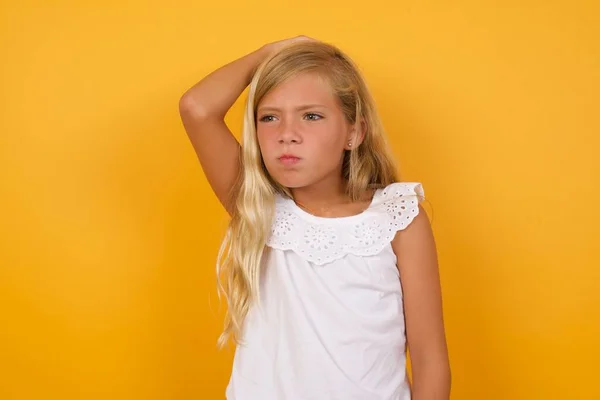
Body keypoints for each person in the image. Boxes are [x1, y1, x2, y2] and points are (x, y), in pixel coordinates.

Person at [178, 35, 451, 400]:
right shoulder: (260, 209)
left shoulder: (397, 218)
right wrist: (268, 54)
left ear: (354, 132)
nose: (287, 135)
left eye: (311, 116)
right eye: (269, 117)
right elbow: (196, 107)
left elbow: (430, 359)